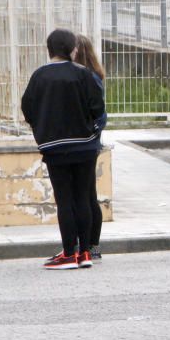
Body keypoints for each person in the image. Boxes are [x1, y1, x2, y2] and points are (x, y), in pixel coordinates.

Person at [21, 28, 105, 270]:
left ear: (49, 50)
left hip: (54, 148)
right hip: (85, 146)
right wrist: (91, 131)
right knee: (83, 198)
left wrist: (41, 129)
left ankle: (69, 253)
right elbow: (97, 108)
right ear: (73, 49)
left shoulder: (39, 76)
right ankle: (86, 252)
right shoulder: (83, 74)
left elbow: (28, 108)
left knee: (65, 199)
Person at [73, 34, 107, 262]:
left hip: (87, 142)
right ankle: (88, 243)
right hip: (89, 141)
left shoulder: (88, 78)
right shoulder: (90, 76)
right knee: (85, 194)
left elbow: (100, 114)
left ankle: (91, 244)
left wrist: (91, 133)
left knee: (86, 195)